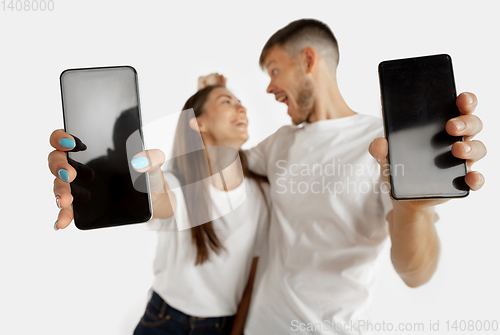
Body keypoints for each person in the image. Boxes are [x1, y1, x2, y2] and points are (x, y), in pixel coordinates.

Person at [240, 19, 487, 334]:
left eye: (274, 71)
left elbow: (416, 273)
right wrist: (210, 100)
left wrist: (414, 209)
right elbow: (220, 169)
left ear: (308, 60)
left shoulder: (382, 143)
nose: (269, 88)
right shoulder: (279, 142)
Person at [48, 77, 270, 335]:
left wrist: (238, 331)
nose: (242, 108)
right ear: (198, 123)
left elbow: (255, 276)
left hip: (221, 326)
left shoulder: (262, 193)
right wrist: (152, 177)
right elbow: (163, 203)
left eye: (241, 103)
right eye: (228, 101)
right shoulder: (180, 182)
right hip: (163, 319)